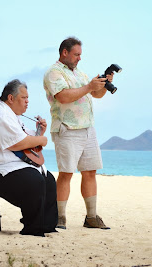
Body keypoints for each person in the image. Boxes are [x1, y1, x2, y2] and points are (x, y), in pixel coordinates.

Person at [0, 79, 58, 237]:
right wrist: (42, 140)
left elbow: (26, 141)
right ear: (10, 98)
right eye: (24, 98)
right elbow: (17, 143)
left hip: (5, 165)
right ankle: (32, 229)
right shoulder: (0, 114)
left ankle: (46, 226)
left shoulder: (13, 116)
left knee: (48, 179)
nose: (27, 101)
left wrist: (39, 133)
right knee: (34, 181)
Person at [43, 37, 114, 230]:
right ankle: (59, 217)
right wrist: (90, 87)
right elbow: (63, 97)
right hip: (67, 128)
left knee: (90, 172)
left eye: (80, 55)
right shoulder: (54, 73)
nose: (79, 58)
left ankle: (91, 217)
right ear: (64, 52)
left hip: (87, 129)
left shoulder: (80, 74)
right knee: (66, 173)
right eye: (76, 54)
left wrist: (104, 85)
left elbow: (96, 95)